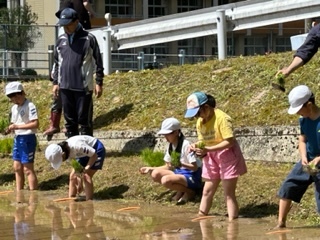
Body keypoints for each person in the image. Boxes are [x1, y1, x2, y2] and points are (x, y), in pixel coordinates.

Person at [184, 91, 247, 221]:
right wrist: (196, 146)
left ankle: (232, 223)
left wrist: (209, 149)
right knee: (207, 191)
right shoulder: (200, 122)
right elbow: (203, 141)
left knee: (228, 193)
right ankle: (201, 216)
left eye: (198, 113)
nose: (197, 118)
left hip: (227, 155)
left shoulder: (222, 118)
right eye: (195, 116)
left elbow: (229, 141)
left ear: (206, 107)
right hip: (211, 157)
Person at [43, 0, 97, 140]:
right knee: (70, 122)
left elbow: (98, 61)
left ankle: (87, 151)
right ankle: (73, 150)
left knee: (84, 121)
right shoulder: (60, 40)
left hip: (83, 87)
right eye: (63, 25)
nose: (65, 28)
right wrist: (55, 82)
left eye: (68, 25)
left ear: (75, 21)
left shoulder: (88, 38)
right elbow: (57, 62)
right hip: (65, 86)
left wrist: (99, 81)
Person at [276, 85, 320, 228]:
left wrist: (318, 159)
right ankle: (280, 223)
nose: (297, 114)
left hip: (318, 161)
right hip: (308, 159)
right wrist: (303, 157)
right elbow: (302, 140)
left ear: (309, 104)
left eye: (299, 109)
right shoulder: (303, 119)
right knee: (288, 186)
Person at [139, 117, 202, 204]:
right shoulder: (171, 145)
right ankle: (181, 190)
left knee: (166, 180)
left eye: (168, 134)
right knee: (155, 174)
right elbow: (168, 166)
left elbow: (194, 168)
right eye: (164, 134)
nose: (165, 137)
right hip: (179, 173)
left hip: (191, 175)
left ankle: (190, 192)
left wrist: (181, 164)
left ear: (176, 132)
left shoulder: (186, 145)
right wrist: (150, 168)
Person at [45, 135, 106, 200]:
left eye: (61, 160)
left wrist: (87, 168)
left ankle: (89, 201)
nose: (62, 161)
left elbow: (94, 155)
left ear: (63, 154)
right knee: (72, 176)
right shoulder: (66, 153)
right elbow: (78, 169)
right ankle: (71, 200)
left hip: (96, 150)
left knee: (87, 176)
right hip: (82, 154)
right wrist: (80, 183)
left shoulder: (77, 146)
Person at [5, 81, 39, 191]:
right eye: (12, 99)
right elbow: (13, 123)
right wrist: (10, 128)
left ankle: (33, 194)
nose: (15, 101)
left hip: (27, 138)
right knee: (17, 167)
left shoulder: (30, 105)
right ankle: (19, 192)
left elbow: (35, 124)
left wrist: (17, 127)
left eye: (16, 98)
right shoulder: (14, 108)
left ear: (22, 93)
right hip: (18, 138)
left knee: (27, 169)